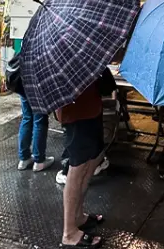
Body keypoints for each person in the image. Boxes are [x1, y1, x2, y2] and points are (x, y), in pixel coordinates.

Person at [57, 81, 106, 249]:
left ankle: (77, 216)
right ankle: (69, 232)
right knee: (77, 168)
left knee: (90, 162)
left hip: (90, 106)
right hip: (76, 111)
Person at [18, 96, 53, 172]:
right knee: (39, 120)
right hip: (37, 87)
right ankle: (39, 161)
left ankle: (24, 158)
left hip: (22, 86)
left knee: (27, 117)